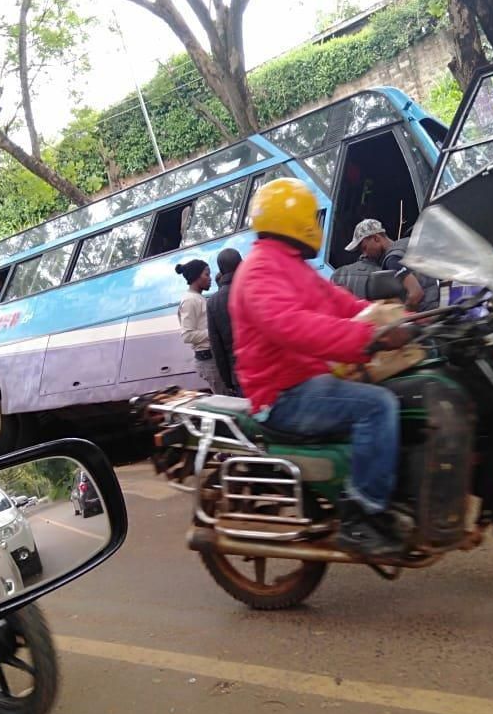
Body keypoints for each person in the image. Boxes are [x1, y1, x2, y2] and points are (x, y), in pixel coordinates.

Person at [230, 178, 412, 558]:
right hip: (283, 393)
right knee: (378, 406)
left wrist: (412, 322)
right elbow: (291, 325)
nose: (316, 223)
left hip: (309, 380)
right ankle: (361, 515)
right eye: (311, 215)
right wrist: (367, 338)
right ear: (295, 218)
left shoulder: (292, 265)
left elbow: (343, 304)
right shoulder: (260, 271)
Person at [336, 218, 438, 312]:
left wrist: (402, 315)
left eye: (364, 248)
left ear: (376, 238)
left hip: (428, 314)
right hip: (440, 303)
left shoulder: (392, 260)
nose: (364, 254)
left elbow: (415, 294)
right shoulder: (407, 243)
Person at [175, 258, 228, 396]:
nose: (210, 278)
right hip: (208, 361)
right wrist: (214, 333)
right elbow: (187, 335)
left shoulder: (198, 298)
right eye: (207, 274)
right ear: (196, 277)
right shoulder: (190, 300)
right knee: (227, 400)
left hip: (215, 357)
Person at [206, 248, 243, 396]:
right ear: (241, 264)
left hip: (239, 375)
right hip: (269, 370)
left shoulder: (213, 302)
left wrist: (228, 381)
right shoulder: (255, 286)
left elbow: (217, 347)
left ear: (221, 271)